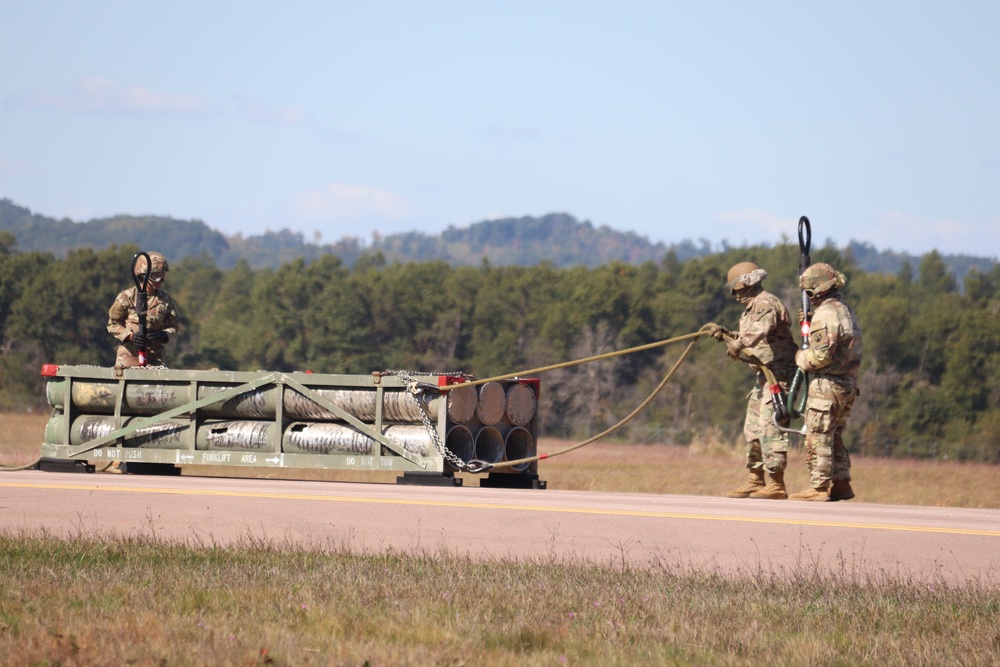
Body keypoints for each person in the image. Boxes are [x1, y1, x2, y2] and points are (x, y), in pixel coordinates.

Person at [712, 262, 799, 500]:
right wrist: (727, 335)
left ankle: (777, 483)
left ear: (746, 284)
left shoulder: (766, 303)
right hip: (763, 376)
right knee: (752, 428)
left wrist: (738, 343)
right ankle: (755, 478)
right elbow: (753, 335)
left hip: (778, 375)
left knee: (770, 427)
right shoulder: (752, 308)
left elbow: (760, 330)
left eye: (737, 289)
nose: (735, 295)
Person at [788, 262, 862, 502]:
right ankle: (841, 482)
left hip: (827, 386)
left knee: (818, 434)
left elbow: (820, 356)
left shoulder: (825, 315)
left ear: (813, 292)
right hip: (847, 386)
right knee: (834, 435)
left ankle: (818, 487)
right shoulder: (844, 309)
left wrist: (800, 357)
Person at [107, 251, 179, 369]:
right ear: (142, 275)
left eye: (163, 275)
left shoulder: (166, 300)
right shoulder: (126, 297)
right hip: (129, 355)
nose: (160, 280)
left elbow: (174, 327)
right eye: (155, 276)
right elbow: (112, 323)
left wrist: (164, 335)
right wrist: (131, 336)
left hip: (156, 357)